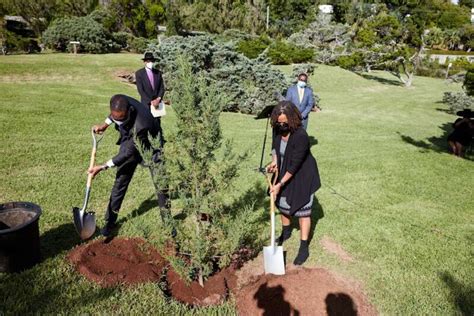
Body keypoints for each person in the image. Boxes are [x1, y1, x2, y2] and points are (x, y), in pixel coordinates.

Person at [89, 94, 163, 237]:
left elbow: (127, 153)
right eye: (117, 119)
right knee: (120, 181)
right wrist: (104, 125)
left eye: (122, 119)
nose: (119, 122)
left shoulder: (141, 125)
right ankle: (110, 222)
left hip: (151, 147)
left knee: (161, 185)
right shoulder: (120, 100)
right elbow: (114, 114)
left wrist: (103, 166)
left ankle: (168, 223)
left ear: (129, 111)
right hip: (130, 140)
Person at [266, 101, 321, 265]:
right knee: (282, 204)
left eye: (284, 123)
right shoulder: (277, 129)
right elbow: (275, 148)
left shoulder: (301, 136)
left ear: (292, 119)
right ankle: (286, 231)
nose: (281, 125)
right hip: (284, 171)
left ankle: (304, 247)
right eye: (279, 122)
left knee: (303, 211)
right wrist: (274, 162)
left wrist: (279, 184)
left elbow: (295, 165)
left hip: (303, 175)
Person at [135, 52, 165, 145]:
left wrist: (158, 99)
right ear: (144, 62)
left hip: (157, 103)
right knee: (146, 122)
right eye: (148, 61)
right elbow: (141, 90)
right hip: (146, 103)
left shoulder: (158, 73)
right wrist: (150, 101)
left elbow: (162, 88)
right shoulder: (139, 73)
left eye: (151, 61)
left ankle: (159, 140)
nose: (150, 62)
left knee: (157, 122)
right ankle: (145, 140)